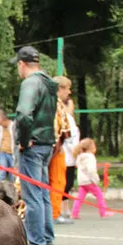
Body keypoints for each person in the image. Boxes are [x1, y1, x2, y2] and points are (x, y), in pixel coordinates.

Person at [14, 46, 57, 245]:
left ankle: (36, 242)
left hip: (32, 144)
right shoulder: (49, 83)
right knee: (43, 193)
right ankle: (47, 240)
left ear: (22, 64)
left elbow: (23, 114)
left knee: (32, 196)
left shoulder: (30, 83)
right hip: (47, 143)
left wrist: (23, 140)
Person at [50, 76, 75, 225]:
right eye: (67, 88)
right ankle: (54, 213)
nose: (69, 92)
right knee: (56, 181)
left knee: (60, 181)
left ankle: (55, 211)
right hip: (55, 149)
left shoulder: (58, 104)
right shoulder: (54, 105)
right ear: (59, 89)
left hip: (59, 148)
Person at [71, 138, 113, 219]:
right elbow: (91, 170)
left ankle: (74, 213)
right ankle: (103, 212)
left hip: (82, 181)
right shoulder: (90, 157)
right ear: (91, 148)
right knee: (99, 195)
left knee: (80, 197)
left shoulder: (80, 157)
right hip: (89, 180)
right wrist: (96, 179)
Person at [62, 97, 80, 218]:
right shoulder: (65, 120)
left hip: (71, 158)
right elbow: (69, 140)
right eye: (70, 105)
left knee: (68, 184)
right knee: (65, 184)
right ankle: (62, 209)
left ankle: (65, 208)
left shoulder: (71, 120)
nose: (72, 108)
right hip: (66, 157)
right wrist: (75, 153)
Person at [0, 108, 16, 181]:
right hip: (2, 153)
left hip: (12, 153)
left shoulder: (13, 127)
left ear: (2, 118)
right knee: (1, 173)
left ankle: (13, 190)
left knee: (13, 175)